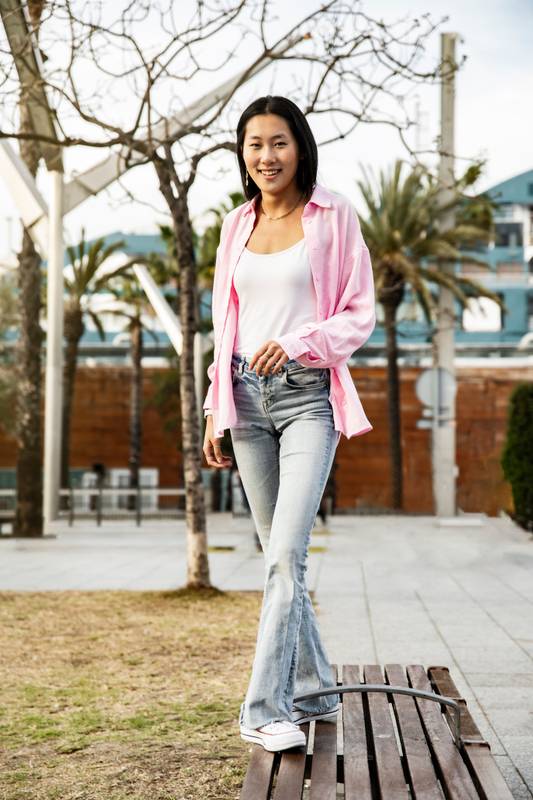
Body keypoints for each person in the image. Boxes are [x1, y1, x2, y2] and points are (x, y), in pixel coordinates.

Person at [202, 95, 376, 752]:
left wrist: (301, 342)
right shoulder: (233, 226)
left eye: (277, 142)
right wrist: (215, 409)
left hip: (308, 399)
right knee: (277, 560)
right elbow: (225, 328)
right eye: (253, 144)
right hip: (244, 401)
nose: (265, 156)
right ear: (241, 153)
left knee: (285, 557)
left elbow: (358, 314)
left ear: (298, 147)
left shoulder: (332, 217)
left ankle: (261, 707)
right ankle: (313, 688)